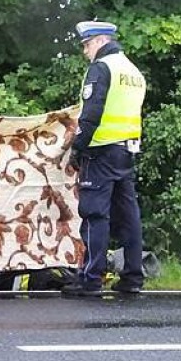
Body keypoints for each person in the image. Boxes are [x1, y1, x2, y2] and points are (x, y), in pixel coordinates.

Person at [63, 21, 147, 297]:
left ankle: (90, 279)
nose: (86, 52)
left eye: (86, 45)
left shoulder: (102, 68)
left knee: (95, 214)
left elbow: (92, 112)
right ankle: (133, 276)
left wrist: (78, 147)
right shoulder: (133, 70)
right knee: (128, 216)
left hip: (101, 151)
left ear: (99, 41)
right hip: (127, 150)